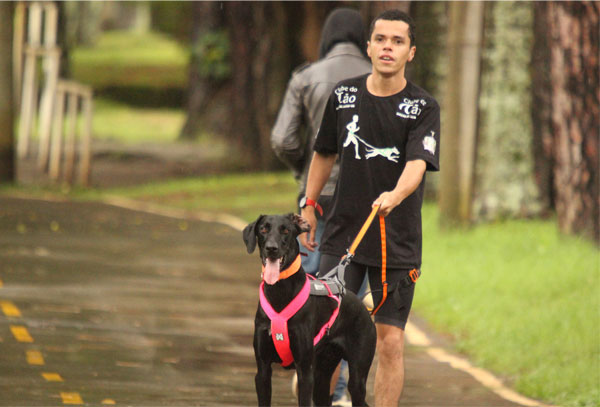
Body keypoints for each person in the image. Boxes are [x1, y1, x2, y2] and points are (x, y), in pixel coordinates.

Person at [300, 9, 440, 405]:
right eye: (381, 40)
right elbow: (324, 152)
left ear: (410, 52)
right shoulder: (344, 95)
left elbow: (417, 165)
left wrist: (395, 197)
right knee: (325, 338)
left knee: (390, 341)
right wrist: (309, 205)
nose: (388, 48)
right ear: (369, 46)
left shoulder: (423, 107)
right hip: (344, 236)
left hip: (396, 243)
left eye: (398, 41)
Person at [271, 8, 371, 406]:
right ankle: (341, 391)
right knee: (347, 302)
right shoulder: (377, 78)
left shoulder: (305, 77)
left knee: (308, 289)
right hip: (360, 202)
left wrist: (305, 171)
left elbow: (282, 139)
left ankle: (307, 369)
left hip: (313, 202)